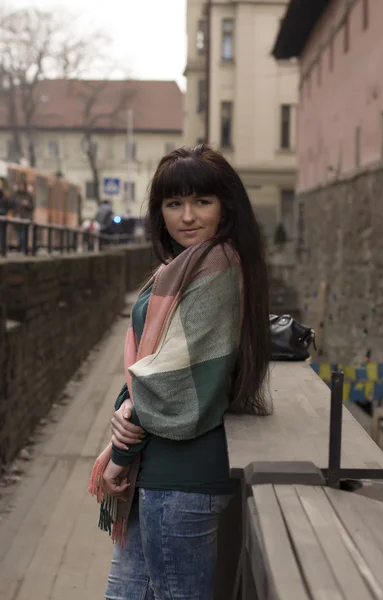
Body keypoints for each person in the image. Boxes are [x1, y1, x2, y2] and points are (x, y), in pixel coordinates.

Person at [88, 144, 271, 600]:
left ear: (224, 207)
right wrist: (127, 403)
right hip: (160, 471)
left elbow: (170, 383)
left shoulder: (217, 266)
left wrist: (121, 450)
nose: (187, 216)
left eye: (201, 202)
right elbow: (150, 366)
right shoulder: (181, 266)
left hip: (181, 479)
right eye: (174, 203)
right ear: (160, 212)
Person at [11, 182, 34, 252]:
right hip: (17, 217)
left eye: (22, 186)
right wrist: (15, 214)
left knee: (23, 234)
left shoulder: (28, 196)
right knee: (19, 234)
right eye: (20, 186)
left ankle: (23, 248)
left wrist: (27, 204)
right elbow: (12, 205)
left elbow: (32, 207)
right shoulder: (15, 195)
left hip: (26, 218)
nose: (21, 187)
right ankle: (21, 248)